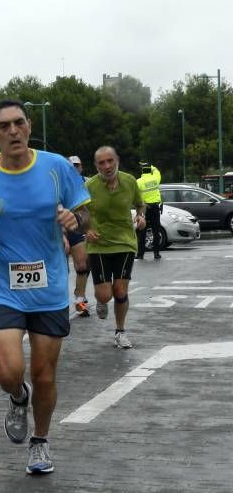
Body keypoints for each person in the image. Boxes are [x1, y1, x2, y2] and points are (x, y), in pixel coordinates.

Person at [0, 99, 90, 476]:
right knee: (8, 371)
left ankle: (40, 441)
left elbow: (84, 212)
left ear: (29, 126)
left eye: (19, 123)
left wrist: (73, 218)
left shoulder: (57, 168)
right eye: (4, 126)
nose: (13, 131)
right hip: (3, 286)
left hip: (48, 287)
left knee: (45, 375)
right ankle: (18, 398)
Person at [85, 146, 146, 349]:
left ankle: (120, 332)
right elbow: (80, 211)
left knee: (120, 290)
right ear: (96, 166)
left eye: (110, 161)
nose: (107, 166)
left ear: (117, 160)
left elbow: (140, 204)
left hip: (125, 242)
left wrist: (141, 216)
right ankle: (101, 301)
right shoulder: (90, 186)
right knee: (105, 294)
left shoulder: (129, 181)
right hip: (99, 245)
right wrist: (87, 229)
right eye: (101, 163)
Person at [66, 155, 92, 316]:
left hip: (78, 228)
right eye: (71, 166)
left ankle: (80, 299)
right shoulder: (58, 181)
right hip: (59, 228)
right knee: (61, 268)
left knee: (82, 265)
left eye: (77, 166)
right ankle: (58, 302)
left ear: (81, 167)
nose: (74, 168)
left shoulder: (87, 183)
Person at [136, 161, 162, 259]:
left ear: (142, 171)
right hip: (155, 208)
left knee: (142, 232)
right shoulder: (156, 178)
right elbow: (157, 170)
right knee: (156, 231)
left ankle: (140, 254)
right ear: (150, 170)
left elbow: (136, 196)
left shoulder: (139, 181)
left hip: (144, 209)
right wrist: (150, 165)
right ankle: (156, 253)